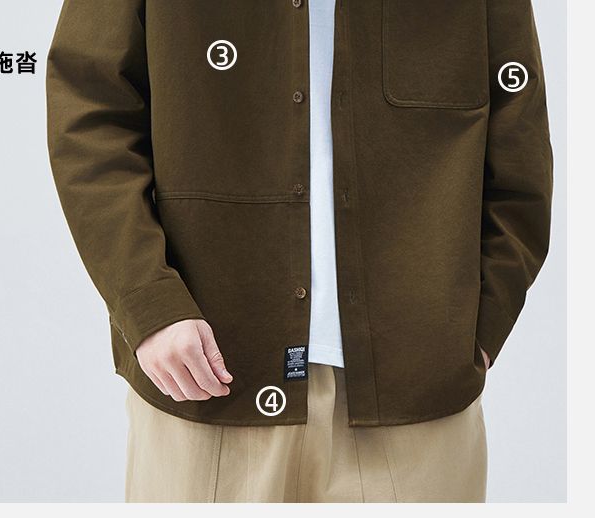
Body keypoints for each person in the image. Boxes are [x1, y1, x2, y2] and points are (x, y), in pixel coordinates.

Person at [46, 0, 552, 503]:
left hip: (420, 397)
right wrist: (149, 303)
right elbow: (90, 110)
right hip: (206, 381)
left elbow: (519, 150)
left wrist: (481, 326)